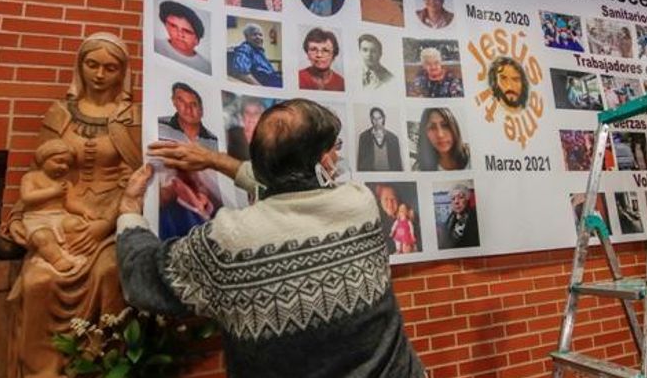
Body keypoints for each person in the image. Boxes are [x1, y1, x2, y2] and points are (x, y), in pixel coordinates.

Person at [116, 99, 425, 377]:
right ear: (322, 162)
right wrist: (213, 160)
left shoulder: (229, 242)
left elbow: (141, 277)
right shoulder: (360, 204)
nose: (337, 155)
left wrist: (129, 210)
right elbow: (287, 186)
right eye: (335, 146)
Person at [2, 32, 140, 376]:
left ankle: (101, 366)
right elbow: (38, 170)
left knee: (110, 272)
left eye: (110, 67)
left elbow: (136, 175)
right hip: (60, 214)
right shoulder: (59, 113)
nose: (99, 74)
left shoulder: (130, 116)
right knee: (37, 281)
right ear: (80, 67)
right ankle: (41, 370)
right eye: (92, 64)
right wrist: (23, 215)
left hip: (112, 217)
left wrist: (105, 224)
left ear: (122, 73)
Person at [157, 83, 222, 239]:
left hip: (203, 208)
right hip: (166, 205)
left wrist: (203, 194)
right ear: (174, 102)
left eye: (193, 104)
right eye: (181, 102)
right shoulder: (158, 126)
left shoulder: (214, 140)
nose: (187, 109)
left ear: (201, 110)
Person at [19, 139, 89, 273]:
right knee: (42, 237)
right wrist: (52, 192)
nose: (64, 167)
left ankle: (72, 252)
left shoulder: (65, 183)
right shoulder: (31, 177)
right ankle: (57, 260)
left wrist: (84, 211)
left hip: (60, 216)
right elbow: (27, 198)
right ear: (44, 159)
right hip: (37, 218)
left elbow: (69, 203)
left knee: (75, 224)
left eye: (68, 164)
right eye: (59, 161)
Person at [154, 0, 210, 74]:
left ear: (197, 40)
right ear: (166, 25)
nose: (180, 34)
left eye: (187, 31)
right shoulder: (154, 45)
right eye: (173, 26)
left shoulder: (206, 68)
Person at [226, 23, 282, 87]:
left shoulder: (259, 51)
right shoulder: (245, 48)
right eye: (254, 34)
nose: (258, 37)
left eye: (260, 35)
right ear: (247, 37)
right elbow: (241, 72)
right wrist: (261, 89)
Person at [356, 107, 403, 172]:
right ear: (371, 119)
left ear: (383, 118)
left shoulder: (393, 138)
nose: (377, 121)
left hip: (390, 177)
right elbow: (361, 164)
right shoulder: (364, 137)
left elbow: (398, 165)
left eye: (379, 118)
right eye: (374, 118)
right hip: (371, 178)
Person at [438, 184, 479, 249]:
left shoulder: (475, 218)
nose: (456, 201)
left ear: (467, 199)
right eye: (453, 199)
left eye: (461, 197)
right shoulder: (449, 219)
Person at [226, 96, 266, 161]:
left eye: (256, 113)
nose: (251, 117)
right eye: (247, 112)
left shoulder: (268, 139)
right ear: (242, 116)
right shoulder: (231, 134)